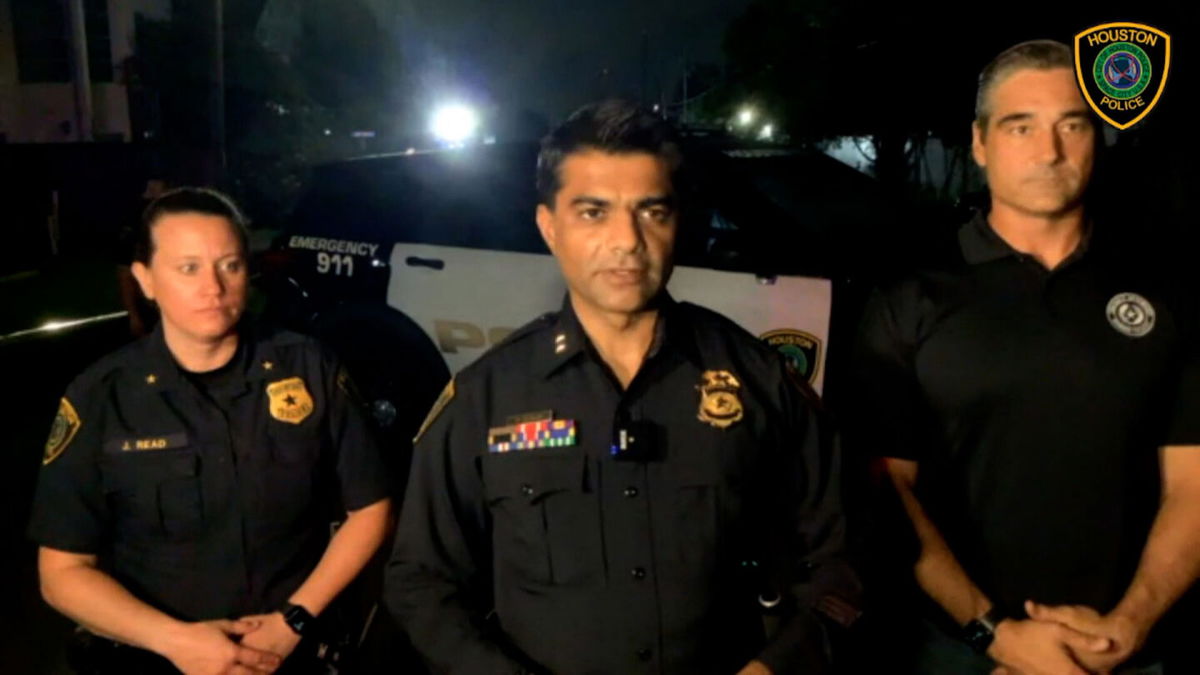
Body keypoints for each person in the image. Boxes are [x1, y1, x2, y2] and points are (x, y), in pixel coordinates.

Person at [385, 100, 860, 674]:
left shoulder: (758, 381)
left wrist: (775, 667)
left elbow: (842, 562)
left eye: (651, 212)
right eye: (593, 212)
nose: (627, 240)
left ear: (678, 222)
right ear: (549, 227)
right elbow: (419, 582)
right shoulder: (486, 397)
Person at [852, 40, 1200, 675]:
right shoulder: (911, 296)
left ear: (1098, 138)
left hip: (1129, 650)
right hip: (957, 651)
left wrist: (1127, 626)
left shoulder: (1167, 291)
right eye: (1021, 127)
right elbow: (885, 490)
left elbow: (1194, 484)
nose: (1049, 151)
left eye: (1073, 125)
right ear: (980, 142)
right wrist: (996, 634)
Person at [29, 187, 393, 674]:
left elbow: (369, 509)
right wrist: (177, 642)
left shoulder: (308, 368)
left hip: (293, 650)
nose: (214, 288)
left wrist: (292, 622)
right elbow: (62, 573)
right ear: (145, 280)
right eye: (189, 268)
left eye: (230, 266)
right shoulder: (101, 398)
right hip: (157, 657)